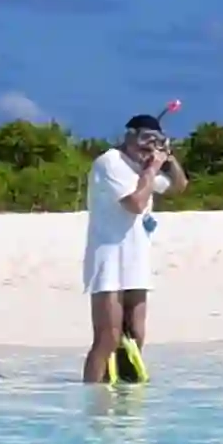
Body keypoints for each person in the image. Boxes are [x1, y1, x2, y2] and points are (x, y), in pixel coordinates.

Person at [81, 112, 185, 384]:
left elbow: (178, 187)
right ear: (129, 136)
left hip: (136, 259)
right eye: (144, 139)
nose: (148, 147)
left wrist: (168, 159)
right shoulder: (110, 163)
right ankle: (93, 398)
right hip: (109, 259)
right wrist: (151, 170)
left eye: (156, 141)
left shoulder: (142, 166)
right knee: (108, 337)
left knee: (137, 334)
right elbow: (135, 204)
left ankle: (125, 399)